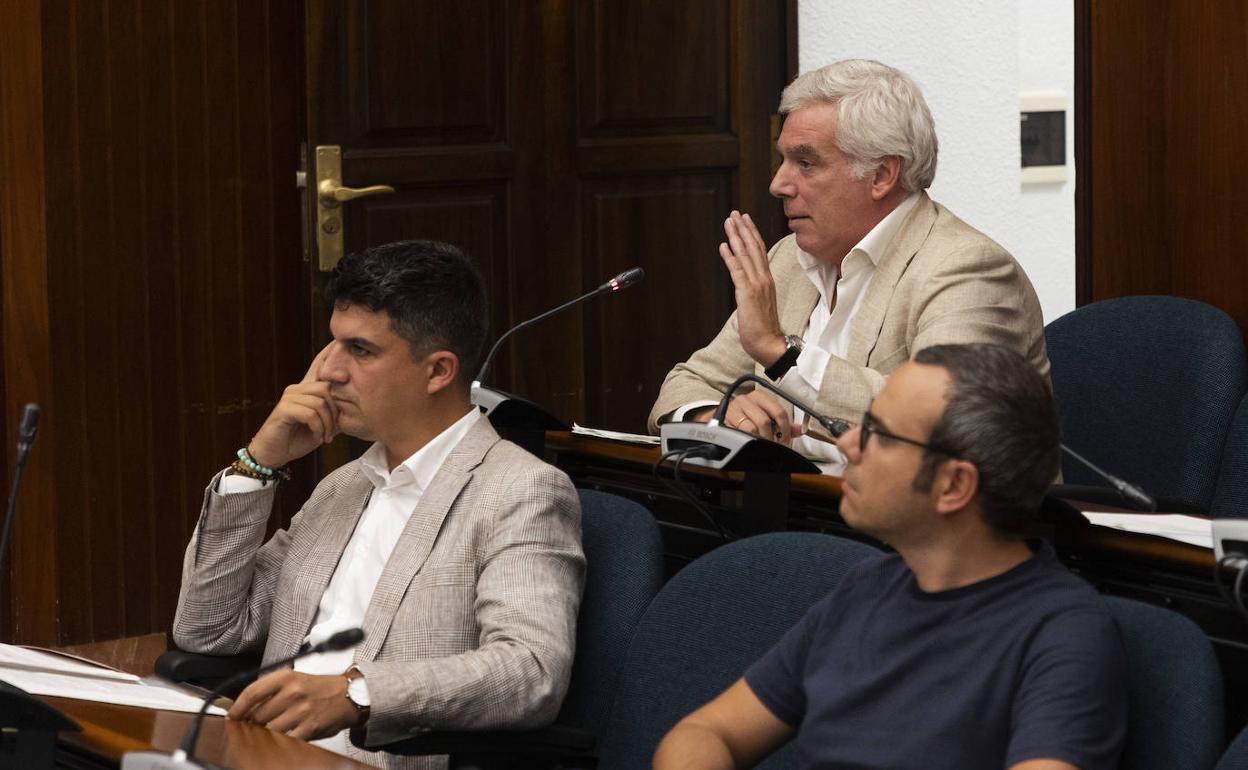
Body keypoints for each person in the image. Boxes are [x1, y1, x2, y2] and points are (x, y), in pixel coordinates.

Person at [172, 240, 585, 769]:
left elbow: (530, 671)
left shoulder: (521, 491)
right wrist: (258, 464)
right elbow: (207, 628)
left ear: (438, 371)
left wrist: (359, 694)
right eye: (333, 345)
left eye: (360, 351)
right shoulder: (343, 485)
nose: (328, 373)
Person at [653, 343, 1127, 770]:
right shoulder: (866, 588)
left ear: (953, 485)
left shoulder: (1063, 634)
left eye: (878, 433)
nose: (847, 444)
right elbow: (705, 733)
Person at [648, 59, 1049, 466]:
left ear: (881, 175)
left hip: (910, 526)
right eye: (782, 160)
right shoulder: (788, 260)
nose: (778, 184)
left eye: (806, 163)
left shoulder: (966, 268)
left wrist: (781, 354)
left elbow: (945, 423)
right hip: (792, 512)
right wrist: (714, 415)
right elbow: (685, 383)